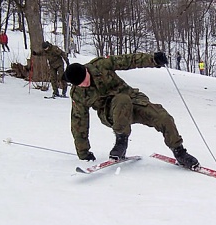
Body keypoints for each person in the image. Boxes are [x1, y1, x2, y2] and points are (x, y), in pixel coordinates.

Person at [62, 52, 200, 170]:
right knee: (121, 99)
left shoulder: (102, 65)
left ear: (86, 71)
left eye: (84, 80)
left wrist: (153, 59)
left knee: (163, 117)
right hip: (111, 115)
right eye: (80, 84)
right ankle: (121, 141)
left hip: (134, 102)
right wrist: (83, 152)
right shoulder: (78, 94)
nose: (84, 84)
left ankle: (179, 152)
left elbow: (129, 60)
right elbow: (78, 122)